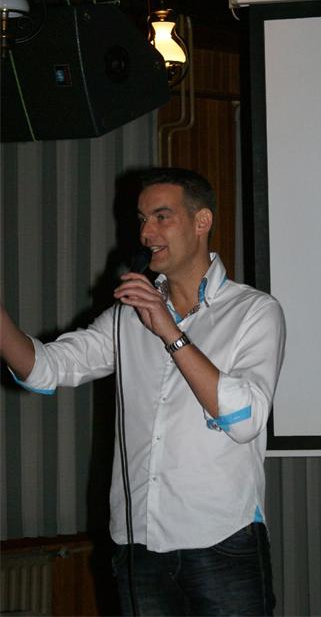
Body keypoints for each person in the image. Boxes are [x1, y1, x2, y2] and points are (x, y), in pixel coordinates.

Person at [0, 167, 286, 616]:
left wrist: (169, 331)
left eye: (161, 217)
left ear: (202, 221)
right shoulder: (128, 316)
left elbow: (246, 419)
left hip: (223, 542)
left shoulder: (253, 311)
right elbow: (46, 368)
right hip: (139, 546)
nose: (146, 233)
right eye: (141, 219)